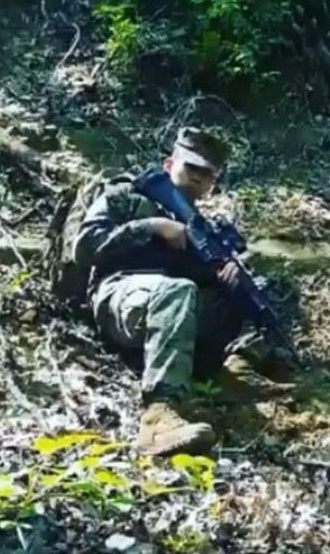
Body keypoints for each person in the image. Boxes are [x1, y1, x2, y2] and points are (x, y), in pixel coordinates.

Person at [73, 127, 292, 456]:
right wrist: (152, 227)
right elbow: (85, 247)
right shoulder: (128, 197)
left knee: (269, 289)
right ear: (168, 164)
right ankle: (158, 419)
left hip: (176, 310)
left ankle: (236, 368)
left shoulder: (209, 231)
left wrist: (226, 279)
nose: (198, 179)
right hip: (120, 295)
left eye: (207, 175)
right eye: (192, 168)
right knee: (177, 291)